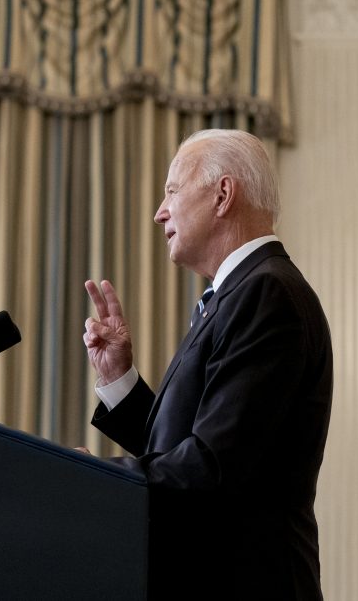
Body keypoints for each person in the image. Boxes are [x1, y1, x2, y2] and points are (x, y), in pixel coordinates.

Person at [82, 128, 333, 599]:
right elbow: (191, 448)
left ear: (222, 195)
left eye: (172, 191)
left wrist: (96, 480)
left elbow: (211, 467)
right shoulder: (240, 294)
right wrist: (119, 379)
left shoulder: (266, 293)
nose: (160, 213)